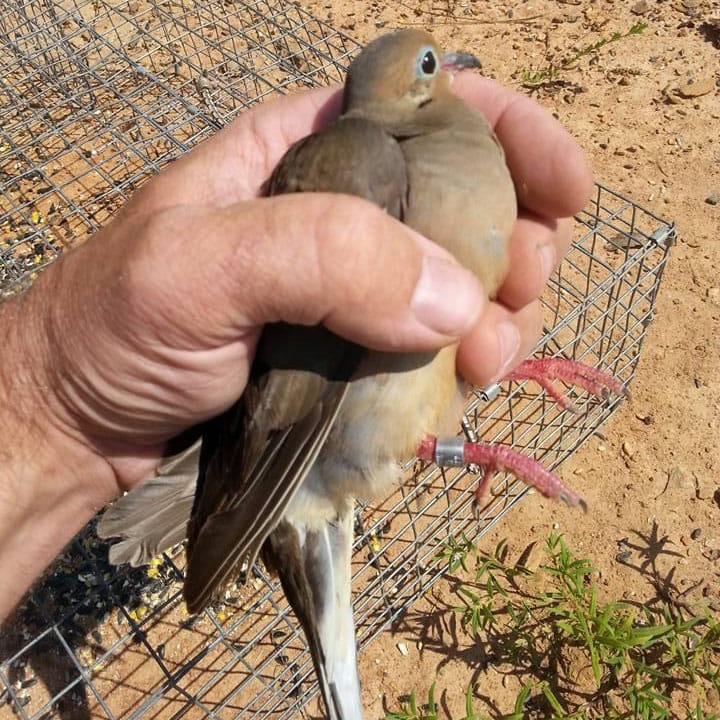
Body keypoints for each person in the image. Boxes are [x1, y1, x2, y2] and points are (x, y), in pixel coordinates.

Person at [0, 75, 592, 621]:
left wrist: (55, 413)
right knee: (406, 409)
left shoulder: (428, 169)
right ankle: (465, 446)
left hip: (300, 435)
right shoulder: (369, 175)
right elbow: (357, 429)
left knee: (454, 348)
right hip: (303, 468)